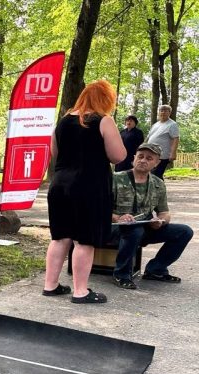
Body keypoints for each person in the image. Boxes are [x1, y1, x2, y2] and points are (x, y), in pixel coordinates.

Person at [42, 80, 126, 304]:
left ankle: (50, 285)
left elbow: (55, 152)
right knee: (84, 240)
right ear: (105, 100)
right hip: (89, 187)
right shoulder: (103, 120)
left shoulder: (62, 122)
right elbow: (118, 156)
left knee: (60, 237)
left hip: (60, 185)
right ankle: (81, 291)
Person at [110, 143, 193, 289]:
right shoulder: (116, 179)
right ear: (133, 158)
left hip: (145, 227)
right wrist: (118, 217)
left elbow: (164, 212)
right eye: (140, 156)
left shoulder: (158, 184)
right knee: (135, 230)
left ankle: (156, 270)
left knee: (184, 231)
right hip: (116, 229)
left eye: (149, 158)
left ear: (156, 163)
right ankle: (121, 274)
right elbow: (100, 209)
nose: (143, 160)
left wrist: (160, 221)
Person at [146, 104, 180, 179]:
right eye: (161, 111)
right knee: (153, 174)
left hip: (162, 155)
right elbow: (148, 137)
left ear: (169, 113)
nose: (163, 112)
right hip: (151, 154)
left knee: (156, 174)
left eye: (165, 111)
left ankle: (158, 190)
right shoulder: (156, 124)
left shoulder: (172, 124)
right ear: (159, 112)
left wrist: (173, 153)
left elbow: (176, 138)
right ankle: (157, 189)